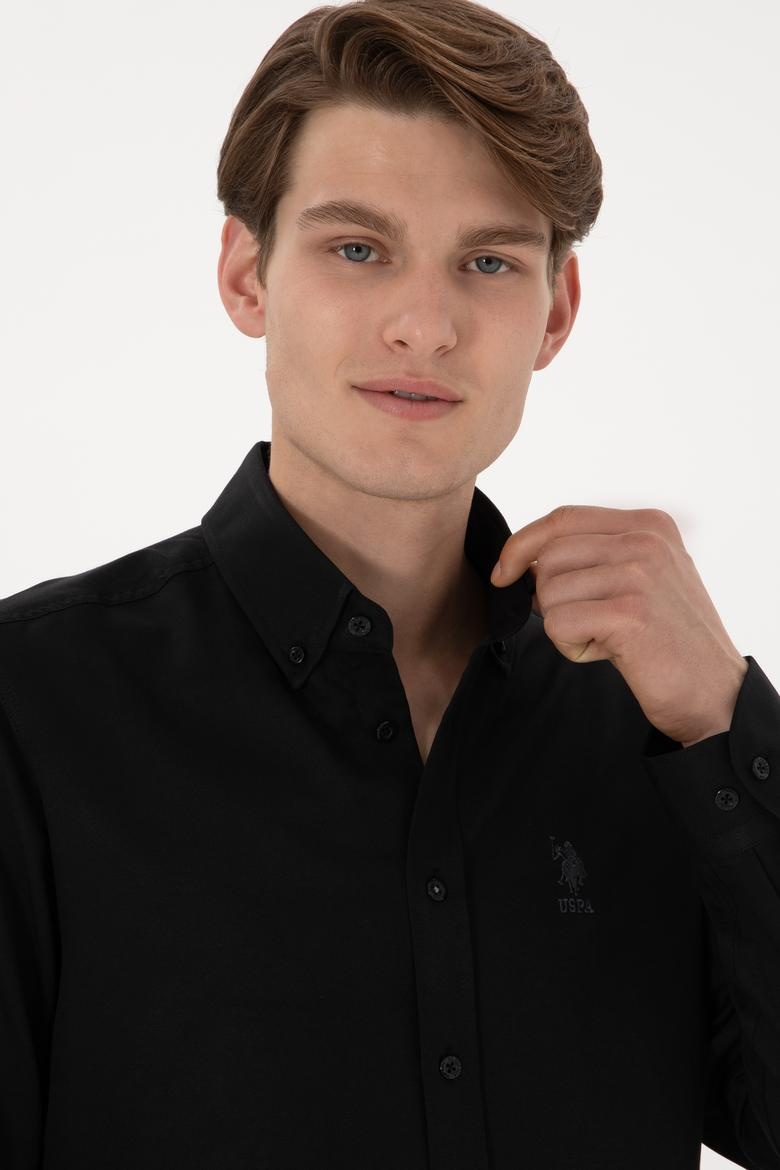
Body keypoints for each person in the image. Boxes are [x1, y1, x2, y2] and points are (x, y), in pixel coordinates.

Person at [1, 1, 778, 1167]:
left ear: (556, 312)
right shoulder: (32, 706)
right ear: (248, 276)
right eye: (357, 249)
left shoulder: (660, 725)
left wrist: (728, 722)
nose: (425, 326)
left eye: (488, 261)